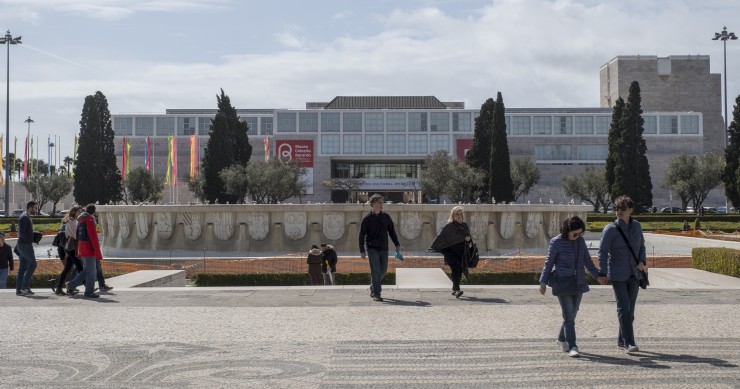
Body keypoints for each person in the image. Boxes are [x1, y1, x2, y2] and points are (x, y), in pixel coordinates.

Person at [539, 216, 606, 357]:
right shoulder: (556, 242)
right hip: (562, 282)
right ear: (566, 231)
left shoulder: (580, 241)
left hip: (579, 282)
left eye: (580, 233)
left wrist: (597, 276)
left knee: (573, 313)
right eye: (575, 233)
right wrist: (543, 282)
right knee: (569, 316)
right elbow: (548, 263)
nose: (577, 236)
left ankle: (561, 339)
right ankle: (572, 345)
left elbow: (587, 260)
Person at [598, 195, 647, 354]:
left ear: (630, 210)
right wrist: (602, 272)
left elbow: (642, 247)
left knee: (630, 311)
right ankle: (629, 342)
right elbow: (602, 252)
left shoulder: (637, 226)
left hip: (634, 274)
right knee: (623, 307)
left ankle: (621, 339)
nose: (618, 211)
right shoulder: (610, 229)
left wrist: (642, 261)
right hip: (618, 274)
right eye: (616, 208)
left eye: (622, 208)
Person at [359, 194, 401, 302]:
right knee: (375, 271)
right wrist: (362, 250)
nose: (381, 204)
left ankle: (373, 286)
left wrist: (397, 244)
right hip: (372, 248)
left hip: (383, 248)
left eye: (381, 202)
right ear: (373, 204)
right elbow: (361, 235)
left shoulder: (386, 217)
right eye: (379, 202)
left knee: (383, 270)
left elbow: (392, 231)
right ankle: (377, 294)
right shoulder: (367, 219)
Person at [67, 204, 107, 298]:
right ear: (94, 211)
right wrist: (96, 250)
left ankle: (71, 286)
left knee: (87, 271)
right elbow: (93, 237)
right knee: (92, 272)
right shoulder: (89, 220)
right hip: (89, 248)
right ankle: (88, 292)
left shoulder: (81, 220)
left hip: (83, 247)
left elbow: (77, 235)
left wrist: (79, 249)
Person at [430, 206, 471, 298]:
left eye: (461, 214)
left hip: (461, 253)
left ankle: (455, 289)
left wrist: (467, 238)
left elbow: (468, 238)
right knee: (456, 268)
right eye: (457, 214)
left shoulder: (464, 225)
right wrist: (445, 251)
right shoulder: (448, 227)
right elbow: (438, 241)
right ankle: (457, 290)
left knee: (459, 270)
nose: (459, 216)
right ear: (453, 215)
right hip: (450, 253)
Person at [53, 206, 85, 296]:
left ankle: (59, 288)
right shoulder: (71, 223)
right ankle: (84, 288)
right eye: (79, 211)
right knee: (80, 268)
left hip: (72, 248)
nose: (80, 213)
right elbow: (75, 236)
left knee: (67, 269)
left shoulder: (74, 222)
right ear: (74, 212)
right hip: (72, 248)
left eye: (81, 211)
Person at [15, 201, 39, 296]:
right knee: (33, 264)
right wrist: (29, 240)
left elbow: (25, 231)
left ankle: (19, 290)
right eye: (35, 208)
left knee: (23, 268)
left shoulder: (27, 217)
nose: (36, 210)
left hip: (24, 244)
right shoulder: (24, 217)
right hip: (25, 245)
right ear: (30, 208)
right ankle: (25, 287)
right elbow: (21, 232)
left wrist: (33, 237)